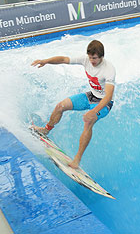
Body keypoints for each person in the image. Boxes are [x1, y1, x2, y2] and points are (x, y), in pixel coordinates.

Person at [31, 40, 116, 169]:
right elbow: (64, 59)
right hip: (91, 95)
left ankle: (77, 160)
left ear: (101, 57)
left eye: (95, 58)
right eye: (90, 57)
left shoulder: (109, 69)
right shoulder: (86, 60)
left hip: (104, 103)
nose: (92, 61)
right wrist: (46, 61)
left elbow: (108, 96)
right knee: (61, 106)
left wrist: (93, 111)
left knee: (88, 122)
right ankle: (46, 130)